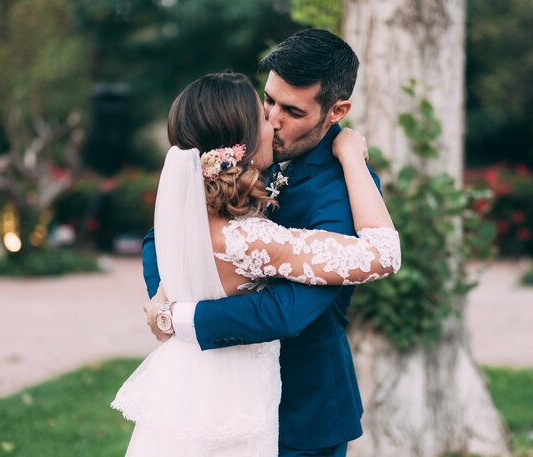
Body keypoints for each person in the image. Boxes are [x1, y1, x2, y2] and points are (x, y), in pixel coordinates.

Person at [138, 30, 394, 457]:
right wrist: (171, 290)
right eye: (268, 101)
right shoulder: (237, 157)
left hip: (303, 406)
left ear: (337, 111)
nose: (273, 119)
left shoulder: (345, 187)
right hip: (219, 394)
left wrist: (181, 318)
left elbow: (291, 309)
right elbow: (159, 237)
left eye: (291, 110)